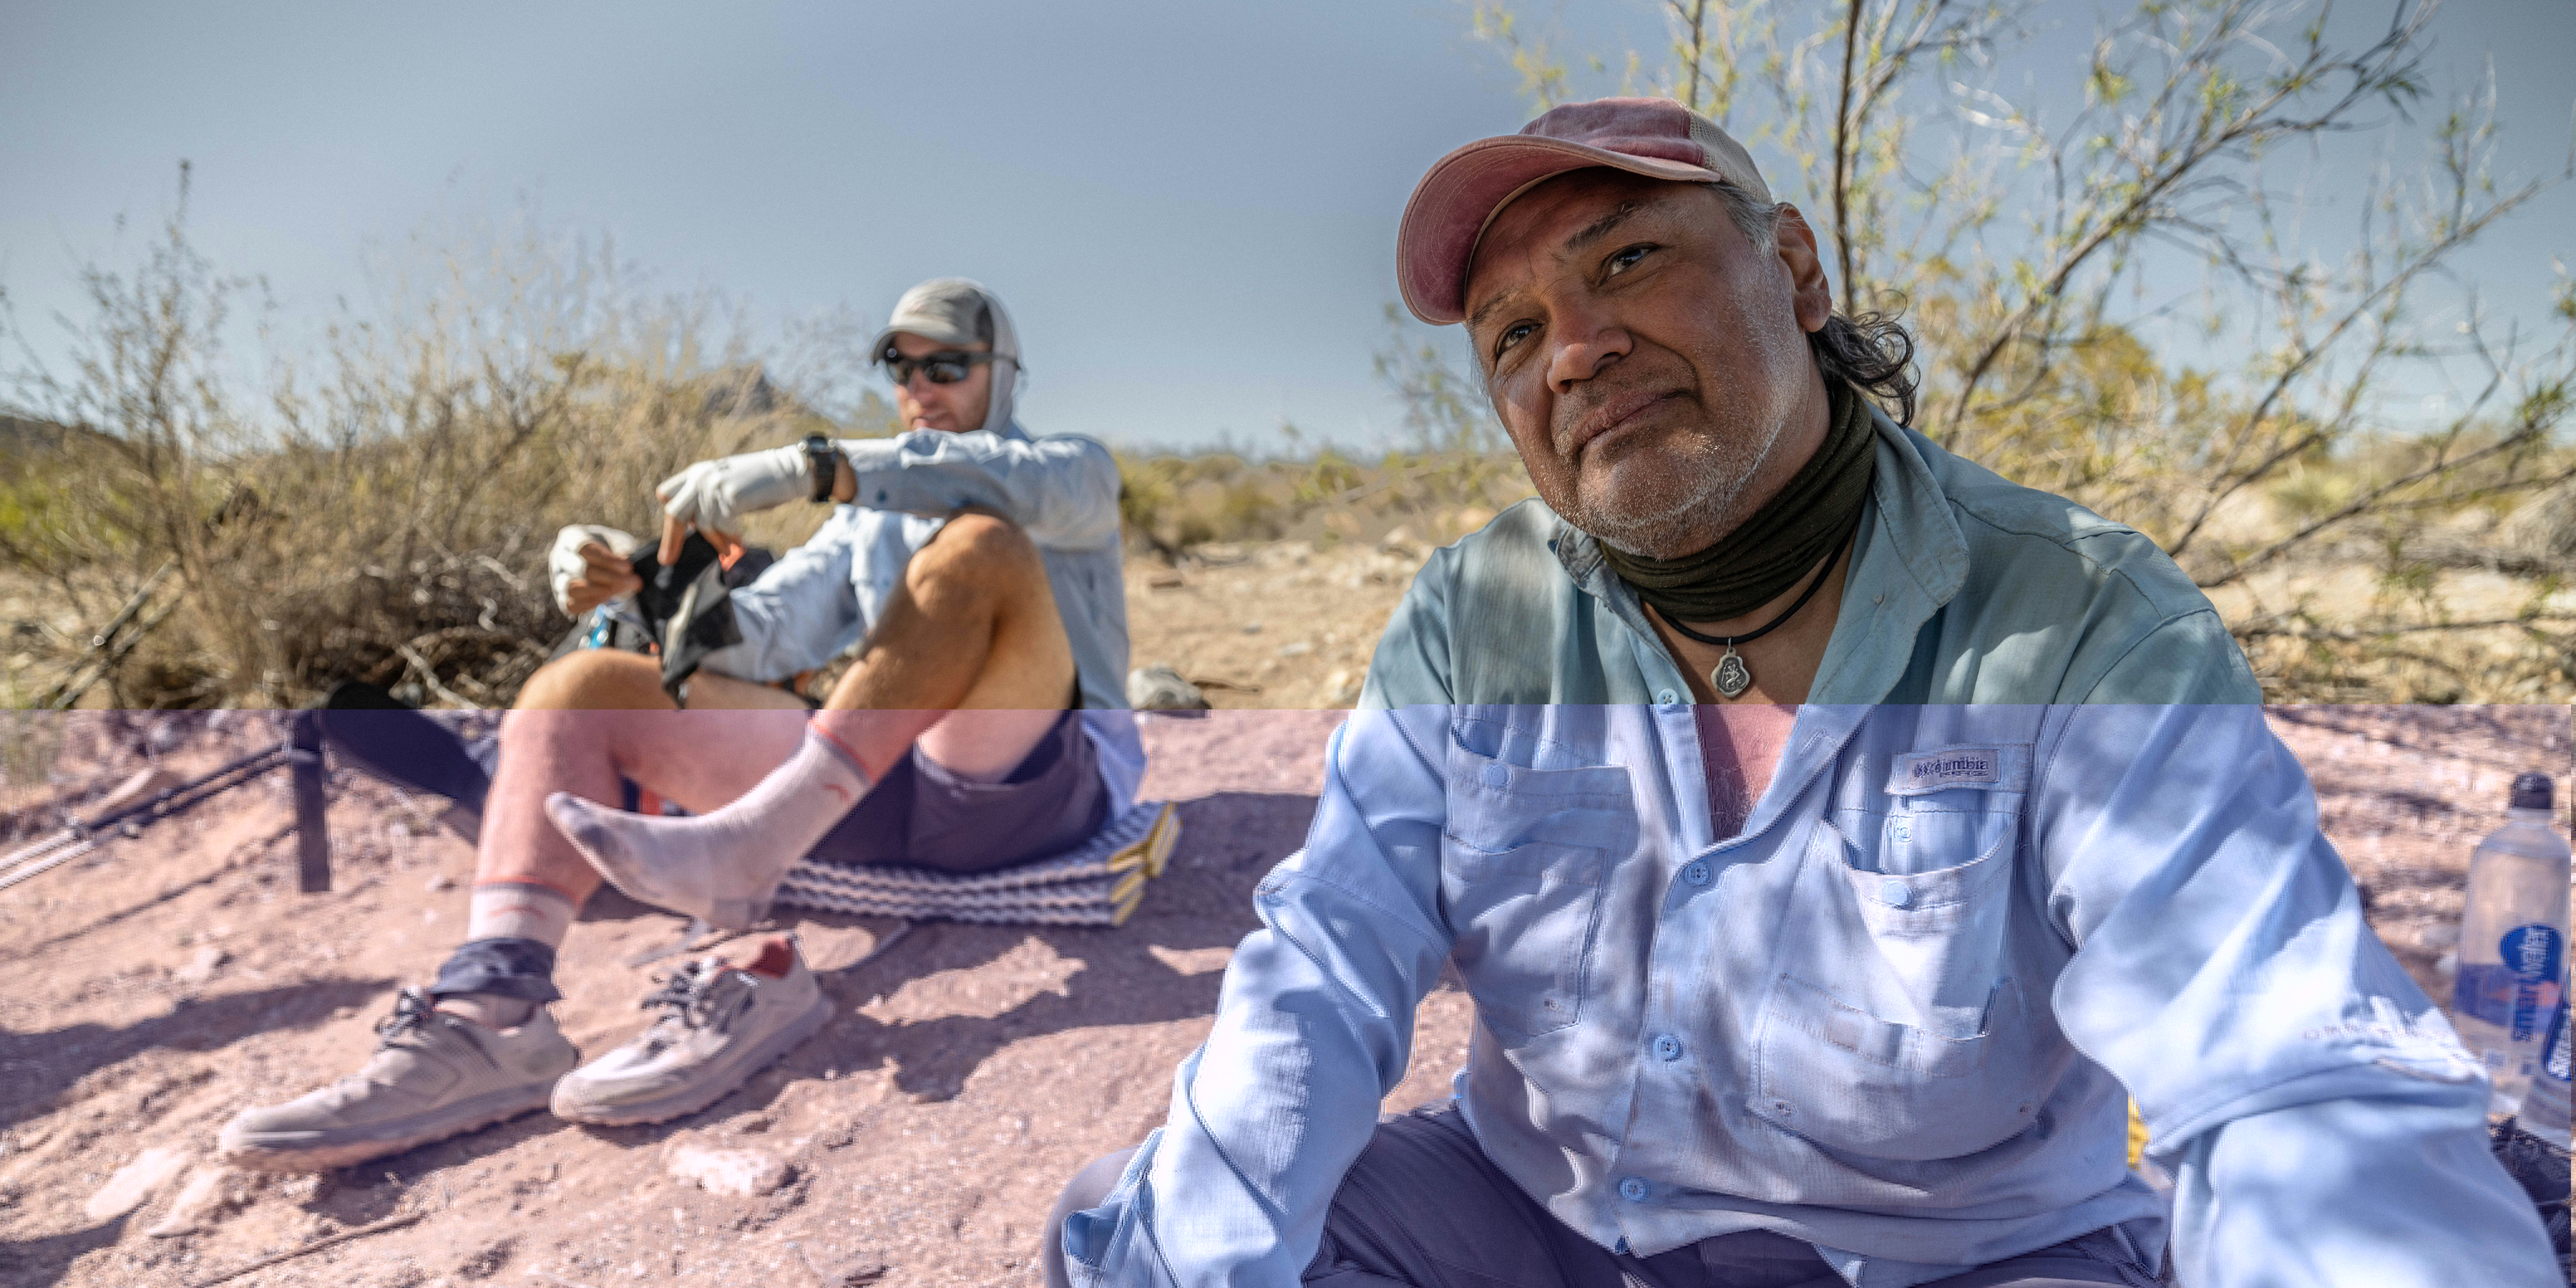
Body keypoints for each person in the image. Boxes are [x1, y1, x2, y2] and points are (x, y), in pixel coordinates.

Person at [1039, 101, 2561, 1287]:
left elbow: (2278, 1053)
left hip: (1960, 1256)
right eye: (1510, 334)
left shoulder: (2077, 617)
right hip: (1534, 1222)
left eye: (1624, 259)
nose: (1573, 348)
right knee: (1132, 1221)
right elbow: (1326, 964)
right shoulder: (1471, 617)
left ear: (1792, 265)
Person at [219, 278, 1143, 1169]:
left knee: (980, 543)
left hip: (1028, 785)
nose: (918, 388)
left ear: (1003, 373)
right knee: (582, 686)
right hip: (875, 788)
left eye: (948, 367)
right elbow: (762, 633)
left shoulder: (1074, 476)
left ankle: (754, 846)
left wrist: (813, 467)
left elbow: (998, 484)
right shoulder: (863, 530)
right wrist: (642, 582)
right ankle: (491, 1020)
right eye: (900, 367)